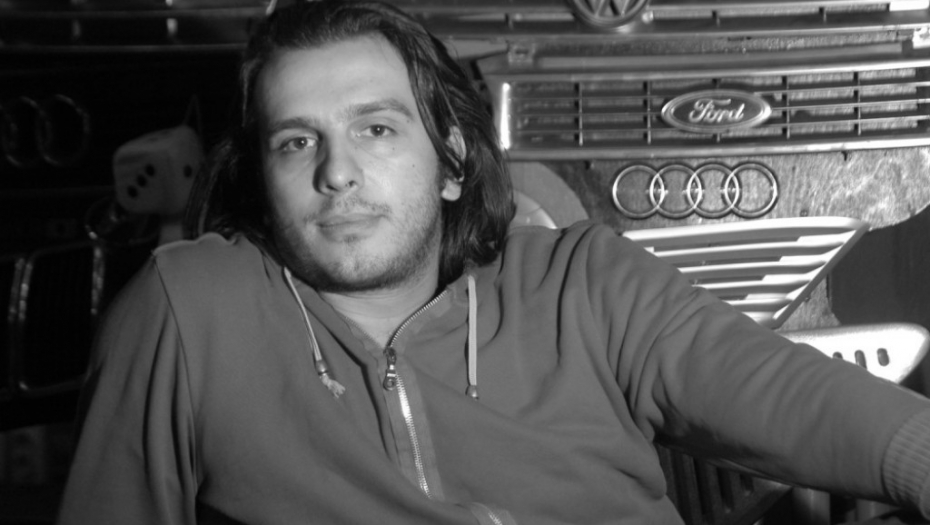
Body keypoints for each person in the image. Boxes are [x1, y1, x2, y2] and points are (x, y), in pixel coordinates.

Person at [57, 1, 930, 524]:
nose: (337, 172)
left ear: (450, 162)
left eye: (375, 128)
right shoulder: (190, 310)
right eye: (296, 141)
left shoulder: (579, 283)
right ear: (261, 174)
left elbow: (789, 394)